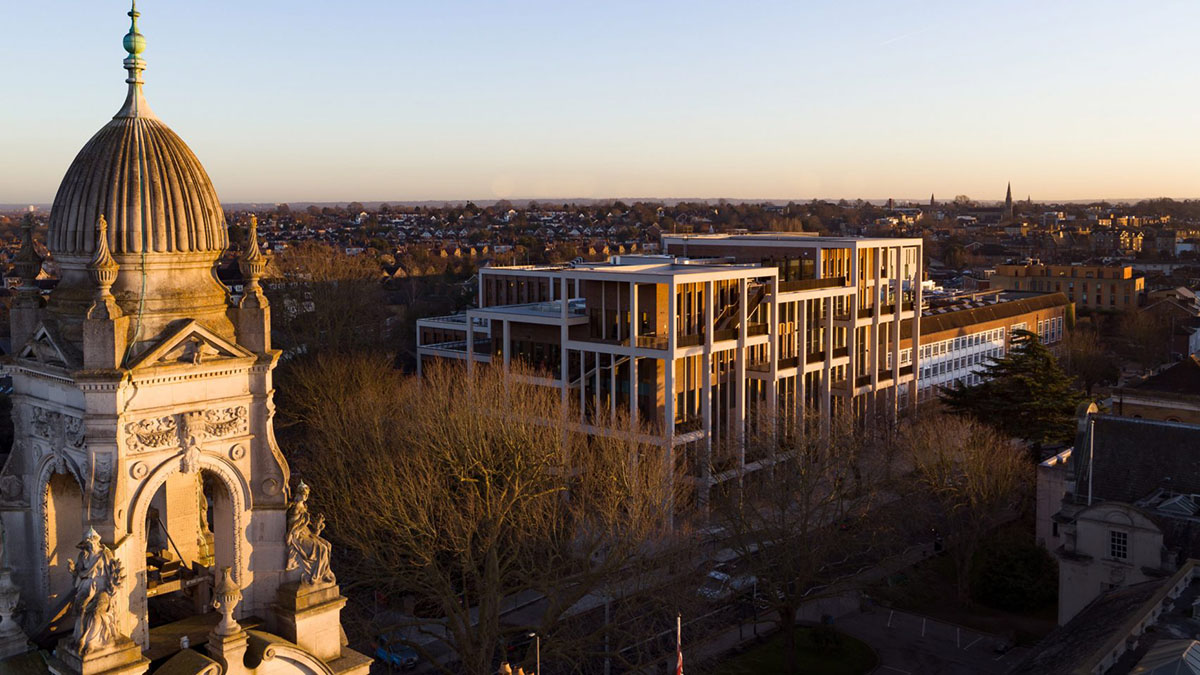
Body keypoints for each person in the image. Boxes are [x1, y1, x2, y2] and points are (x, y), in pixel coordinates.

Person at [68, 528, 125, 654]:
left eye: (91, 542)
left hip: (103, 588)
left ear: (96, 542)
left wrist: (114, 585)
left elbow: (114, 574)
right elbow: (79, 573)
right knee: (81, 609)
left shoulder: (105, 554)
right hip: (87, 587)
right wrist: (73, 570)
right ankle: (80, 640)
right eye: (87, 543)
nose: (90, 545)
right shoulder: (83, 555)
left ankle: (92, 642)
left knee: (96, 612)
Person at [285, 482, 335, 585]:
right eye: (304, 494)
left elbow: (310, 530)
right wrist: (304, 523)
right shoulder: (295, 508)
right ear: (298, 494)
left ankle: (324, 574)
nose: (306, 496)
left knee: (327, 545)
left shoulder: (304, 507)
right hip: (298, 538)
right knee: (322, 549)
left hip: (306, 534)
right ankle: (316, 576)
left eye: (307, 494)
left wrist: (317, 526)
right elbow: (293, 530)